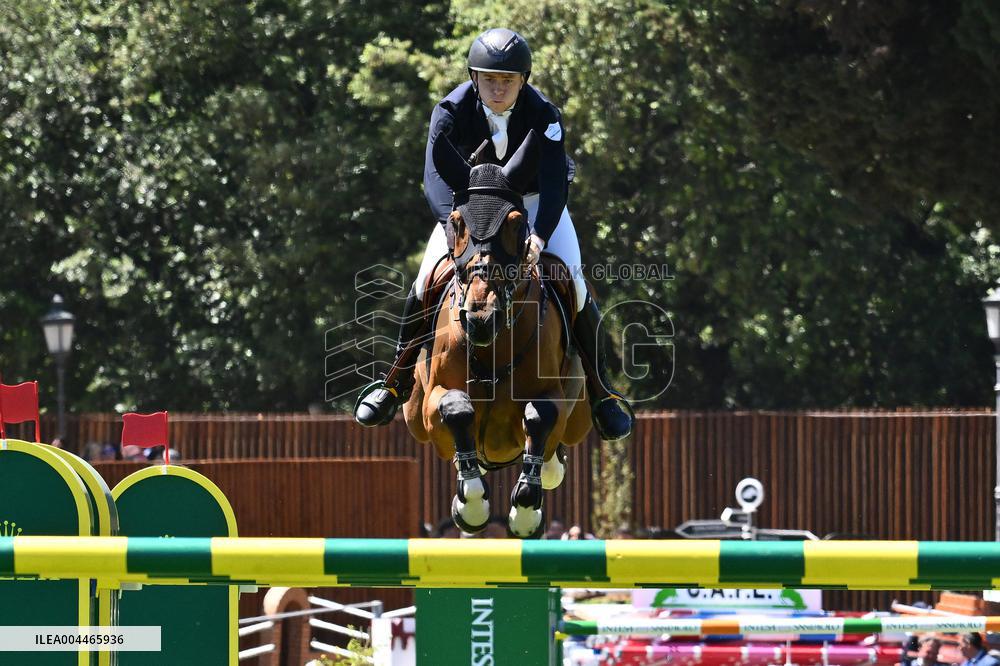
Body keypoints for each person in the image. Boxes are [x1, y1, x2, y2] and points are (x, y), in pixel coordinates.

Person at [354, 28, 633, 441]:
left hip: (534, 200)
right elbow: (434, 179)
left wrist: (539, 236)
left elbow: (556, 183)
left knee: (571, 282)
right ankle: (395, 382)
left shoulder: (545, 116)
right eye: (489, 79)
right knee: (426, 278)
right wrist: (454, 228)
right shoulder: (448, 111)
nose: (498, 88)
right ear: (473, 76)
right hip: (466, 206)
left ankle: (602, 393)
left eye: (508, 80)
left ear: (524, 80)